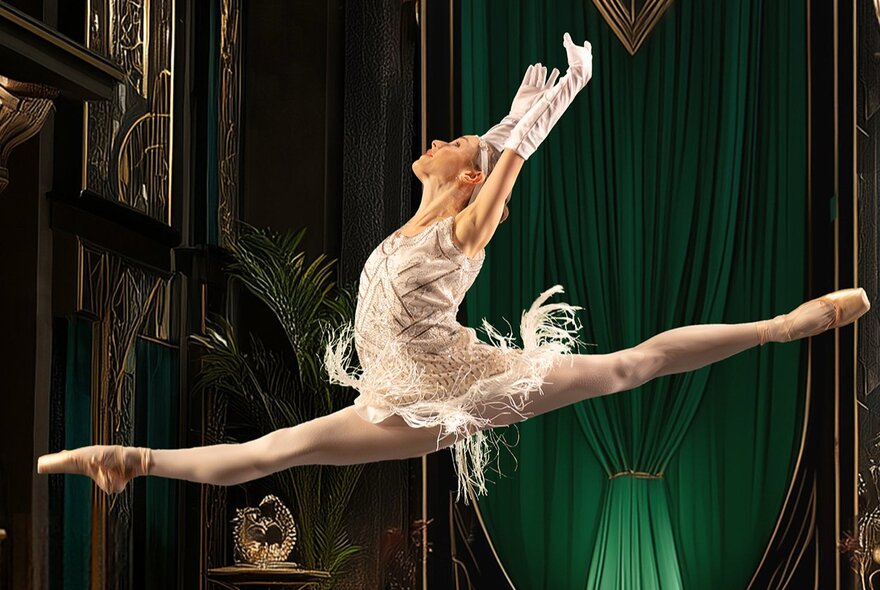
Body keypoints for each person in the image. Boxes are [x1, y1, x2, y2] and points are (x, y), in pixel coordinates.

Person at [37, 33, 871, 503]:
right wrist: (509, 121)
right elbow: (498, 155)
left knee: (627, 368)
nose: (434, 140)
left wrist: (547, 110)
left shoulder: (462, 231)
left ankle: (782, 326)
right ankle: (132, 460)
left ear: (467, 176)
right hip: (394, 402)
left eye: (452, 144)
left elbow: (510, 167)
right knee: (276, 448)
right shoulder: (416, 226)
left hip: (460, 388)